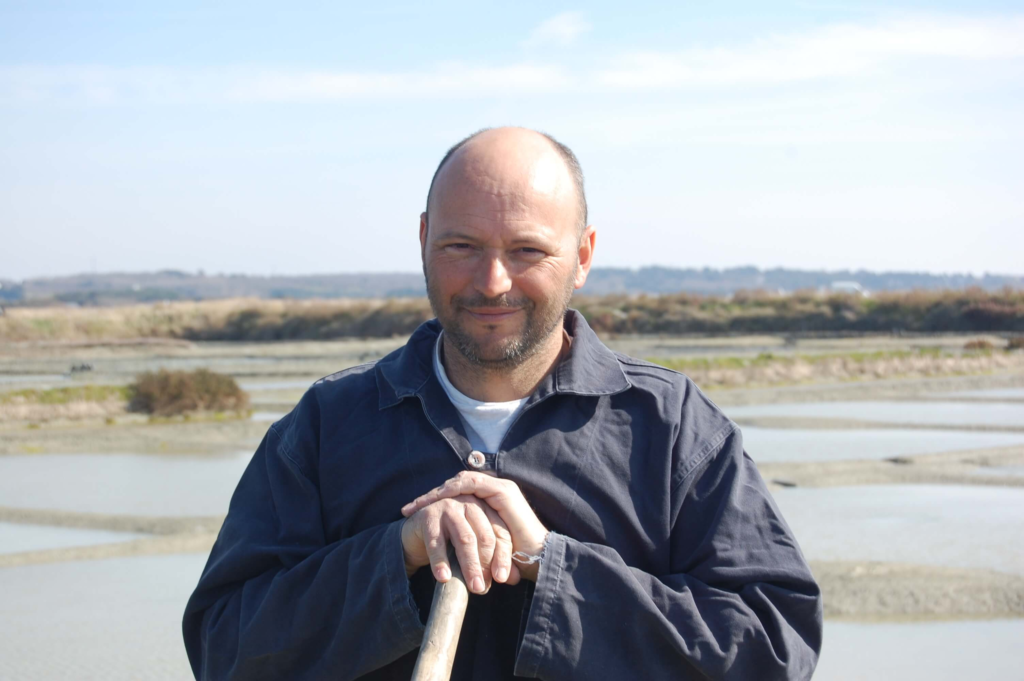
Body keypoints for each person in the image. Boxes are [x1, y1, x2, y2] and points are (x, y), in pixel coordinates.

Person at [183, 127, 823, 680]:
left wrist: (552, 567)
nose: (493, 283)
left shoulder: (674, 427)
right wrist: (395, 554)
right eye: (462, 246)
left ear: (583, 256)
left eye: (527, 251)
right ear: (425, 239)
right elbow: (223, 652)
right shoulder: (326, 428)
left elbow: (774, 652)